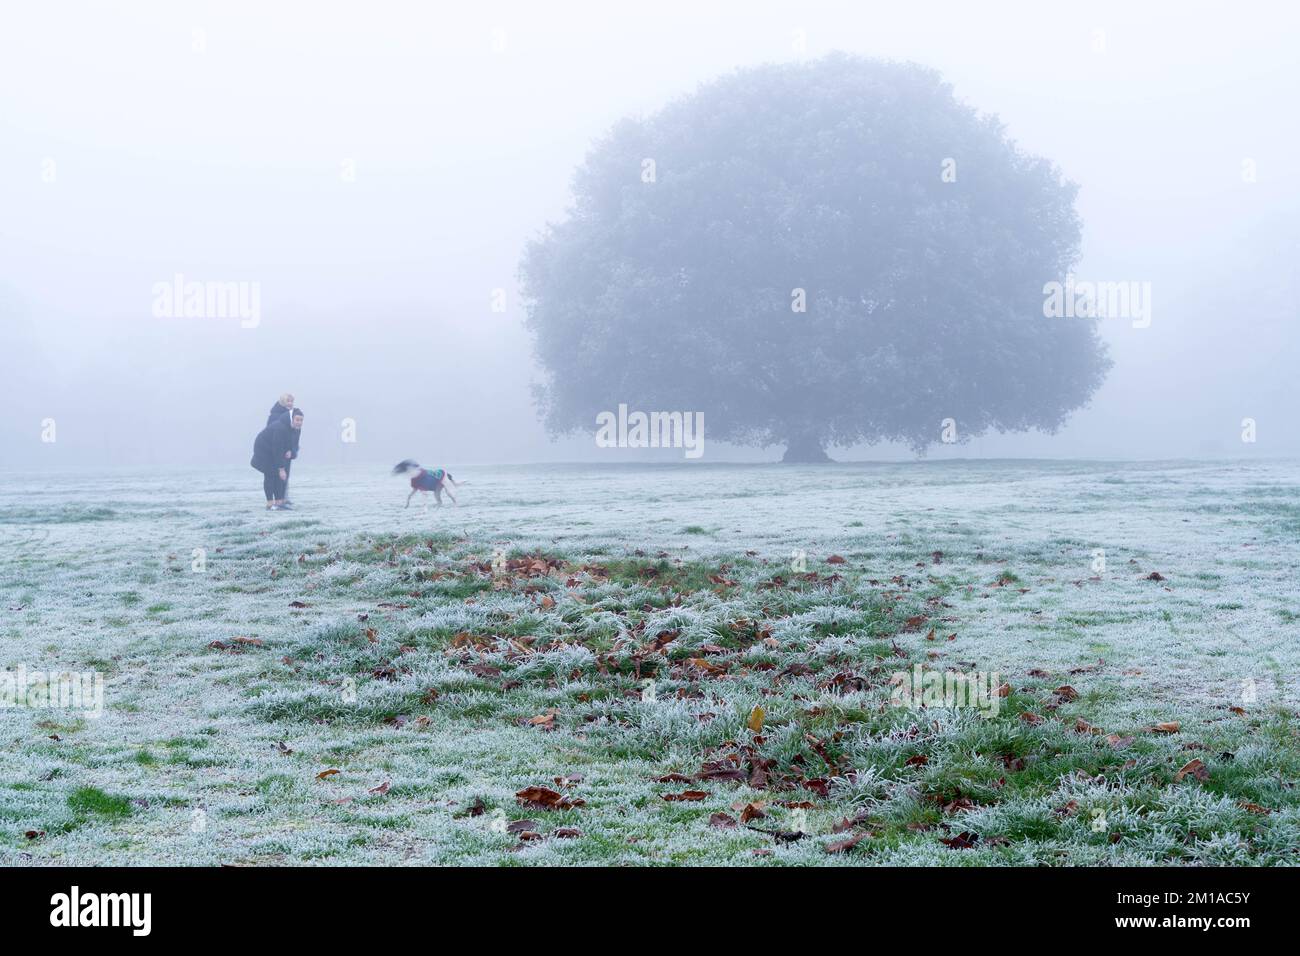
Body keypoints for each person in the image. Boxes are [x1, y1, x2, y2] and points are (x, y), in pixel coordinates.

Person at [251, 408, 303, 510]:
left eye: (301, 420)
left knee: (282, 477)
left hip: (278, 451)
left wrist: (292, 452)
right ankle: (270, 504)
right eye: (297, 420)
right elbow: (277, 448)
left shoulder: (297, 429)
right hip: (264, 451)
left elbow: (295, 445)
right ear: (291, 419)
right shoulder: (280, 428)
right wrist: (281, 468)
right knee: (271, 474)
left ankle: (279, 503)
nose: (299, 422)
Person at [266, 393, 299, 503]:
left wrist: (293, 450)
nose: (290, 403)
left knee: (285, 475)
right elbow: (273, 434)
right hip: (277, 450)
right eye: (288, 401)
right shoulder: (275, 416)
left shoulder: (293, 415)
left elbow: (295, 435)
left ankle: (284, 498)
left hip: (288, 451)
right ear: (282, 402)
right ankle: (276, 500)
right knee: (277, 474)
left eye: (291, 401)